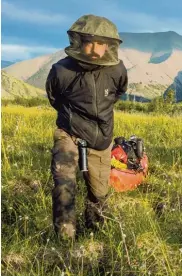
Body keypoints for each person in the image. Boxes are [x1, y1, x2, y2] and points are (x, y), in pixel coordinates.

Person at [46, 14, 128, 239]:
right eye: (90, 42)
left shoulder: (117, 69)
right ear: (79, 42)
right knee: (64, 187)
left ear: (109, 46)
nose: (95, 48)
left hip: (101, 136)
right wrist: (73, 119)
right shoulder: (61, 70)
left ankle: (95, 233)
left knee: (99, 193)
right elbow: (54, 98)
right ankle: (65, 240)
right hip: (68, 134)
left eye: (102, 44)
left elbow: (118, 93)